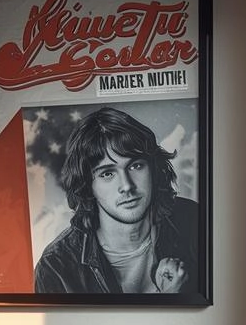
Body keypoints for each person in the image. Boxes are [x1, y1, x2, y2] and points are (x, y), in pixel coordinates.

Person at [33, 106, 198, 296]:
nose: (127, 185)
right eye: (107, 173)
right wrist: (170, 300)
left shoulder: (193, 220)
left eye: (136, 166)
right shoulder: (55, 267)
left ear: (153, 168)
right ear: (87, 186)